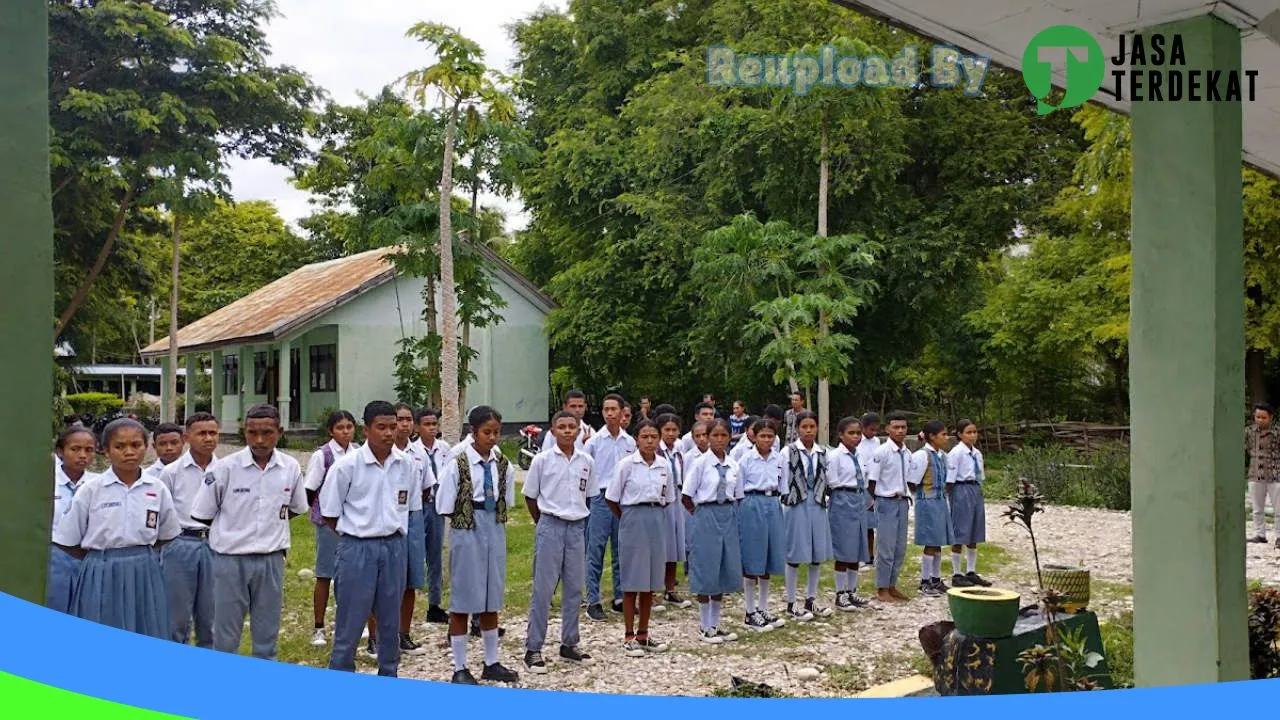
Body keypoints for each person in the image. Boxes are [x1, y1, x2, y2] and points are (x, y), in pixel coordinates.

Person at [191, 404, 306, 660]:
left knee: (267, 635)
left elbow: (296, 508)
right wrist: (236, 533)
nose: (259, 439)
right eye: (252, 432)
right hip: (230, 561)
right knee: (225, 636)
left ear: (280, 431)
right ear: (245, 432)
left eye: (267, 432)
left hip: (271, 560)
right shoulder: (224, 468)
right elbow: (204, 513)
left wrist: (269, 529)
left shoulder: (290, 467)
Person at [54, 419, 180, 638]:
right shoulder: (92, 490)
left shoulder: (157, 488)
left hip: (143, 568)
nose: (129, 452)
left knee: (145, 626)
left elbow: (167, 534)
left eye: (135, 445)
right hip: (100, 568)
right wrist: (99, 558)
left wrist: (139, 553)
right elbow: (68, 540)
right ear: (106, 452)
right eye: (120, 447)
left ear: (146, 447)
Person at [320, 401, 418, 678]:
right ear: (367, 430)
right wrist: (355, 534)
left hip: (394, 548)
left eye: (393, 426)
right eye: (381, 427)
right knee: (350, 622)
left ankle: (389, 674)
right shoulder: (347, 466)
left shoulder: (406, 464)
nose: (389, 433)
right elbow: (330, 513)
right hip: (357, 547)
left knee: (390, 621)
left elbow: (409, 507)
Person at [436, 405, 520, 685]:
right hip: (466, 528)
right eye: (487, 432)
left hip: (493, 527)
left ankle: (491, 661)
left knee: (491, 596)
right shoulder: (458, 463)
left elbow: (505, 498)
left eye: (496, 432)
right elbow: (445, 504)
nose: (492, 438)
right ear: (473, 432)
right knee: (463, 597)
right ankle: (459, 666)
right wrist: (466, 518)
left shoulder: (501, 464)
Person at [522, 411, 595, 673]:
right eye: (561, 427)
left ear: (578, 431)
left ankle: (569, 642)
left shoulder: (586, 461)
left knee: (574, 588)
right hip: (550, 524)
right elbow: (530, 496)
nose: (567, 431)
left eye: (571, 427)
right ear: (552, 431)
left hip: (576, 528)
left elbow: (588, 495)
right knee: (543, 590)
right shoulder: (542, 460)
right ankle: (533, 648)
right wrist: (542, 522)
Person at [606, 420, 674, 656]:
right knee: (632, 580)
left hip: (656, 517)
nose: (649, 441)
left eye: (653, 436)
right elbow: (612, 498)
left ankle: (644, 633)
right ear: (636, 439)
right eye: (644, 436)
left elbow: (669, 497)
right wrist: (627, 517)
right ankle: (628, 634)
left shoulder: (664, 465)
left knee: (650, 581)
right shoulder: (626, 465)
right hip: (632, 517)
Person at [366, 403, 428, 656]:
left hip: (409, 521)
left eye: (405, 420)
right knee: (375, 586)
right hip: (376, 529)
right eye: (395, 421)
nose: (400, 427)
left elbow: (423, 490)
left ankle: (402, 634)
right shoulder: (359, 461)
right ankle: (375, 637)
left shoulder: (415, 456)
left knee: (409, 581)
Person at [158, 412, 221, 648]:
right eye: (201, 433)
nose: (208, 438)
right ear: (187, 437)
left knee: (212, 616)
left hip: (216, 543)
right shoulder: (172, 472)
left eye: (212, 433)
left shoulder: (227, 469)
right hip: (181, 543)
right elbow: (163, 513)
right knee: (177, 616)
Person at [682, 419, 743, 644]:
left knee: (722, 568)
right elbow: (686, 495)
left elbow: (738, 494)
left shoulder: (734, 465)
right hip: (706, 513)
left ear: (729, 438)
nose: (719, 440)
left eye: (723, 436)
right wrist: (698, 515)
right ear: (707, 437)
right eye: (714, 435)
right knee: (705, 567)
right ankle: (704, 625)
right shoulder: (700, 464)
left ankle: (715, 624)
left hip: (727, 514)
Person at [304, 409, 359, 646]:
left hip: (353, 521)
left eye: (349, 427)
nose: (345, 432)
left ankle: (349, 622)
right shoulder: (323, 455)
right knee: (325, 573)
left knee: (352, 575)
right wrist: (320, 513)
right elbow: (310, 488)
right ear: (330, 431)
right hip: (328, 522)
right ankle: (319, 626)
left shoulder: (357, 453)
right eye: (340, 428)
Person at [583, 393, 636, 620]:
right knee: (595, 548)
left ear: (622, 412)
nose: (610, 414)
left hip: (622, 499)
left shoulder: (629, 442)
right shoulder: (594, 442)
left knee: (621, 548)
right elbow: (585, 471)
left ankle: (620, 595)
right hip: (600, 497)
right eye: (606, 409)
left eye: (614, 409)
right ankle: (593, 599)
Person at [780, 410, 832, 621]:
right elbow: (783, 478)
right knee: (794, 553)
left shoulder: (822, 452)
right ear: (797, 428)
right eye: (804, 427)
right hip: (796, 503)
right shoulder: (788, 451)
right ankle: (791, 603)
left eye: (812, 427)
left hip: (817, 502)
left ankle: (811, 599)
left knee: (816, 553)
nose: (808, 431)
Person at [736, 419, 787, 631]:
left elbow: (783, 483)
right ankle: (749, 611)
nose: (766, 440)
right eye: (762, 436)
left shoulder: (779, 458)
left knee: (769, 556)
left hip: (772, 502)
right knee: (753, 556)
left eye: (770, 436)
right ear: (754, 437)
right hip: (752, 501)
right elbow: (739, 489)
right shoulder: (745, 459)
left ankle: (763, 607)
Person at [47, 426, 98, 614]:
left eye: (89, 450)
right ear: (60, 451)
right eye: (75, 449)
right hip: (55, 557)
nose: (82, 455)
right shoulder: (46, 481)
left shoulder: (99, 484)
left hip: (89, 557)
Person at [411, 407, 451, 623]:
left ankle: (434, 604)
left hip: (437, 505)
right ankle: (407, 600)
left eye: (434, 424)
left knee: (435, 554)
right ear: (418, 427)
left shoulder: (444, 449)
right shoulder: (413, 451)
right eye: (427, 424)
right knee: (415, 554)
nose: (432, 428)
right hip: (418, 505)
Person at [867, 413, 913, 603]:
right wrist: (873, 501)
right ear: (887, 429)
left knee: (899, 548)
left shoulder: (907, 453)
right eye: (896, 427)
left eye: (903, 427)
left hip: (902, 502)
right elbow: (872, 481)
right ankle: (882, 588)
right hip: (886, 501)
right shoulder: (882, 452)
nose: (900, 431)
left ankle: (892, 585)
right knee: (885, 547)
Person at [828, 417, 872, 611]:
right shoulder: (835, 456)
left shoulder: (860, 455)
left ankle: (852, 590)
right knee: (844, 548)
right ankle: (840, 593)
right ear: (841, 434)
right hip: (842, 498)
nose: (856, 437)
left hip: (858, 499)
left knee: (857, 547)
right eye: (851, 433)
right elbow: (832, 481)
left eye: (858, 433)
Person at [910, 420, 954, 597]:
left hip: (940, 501)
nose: (946, 437)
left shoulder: (942, 455)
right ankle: (924, 580)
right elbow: (913, 481)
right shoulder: (922, 456)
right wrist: (923, 497)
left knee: (938, 540)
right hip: (927, 502)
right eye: (943, 434)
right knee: (930, 541)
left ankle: (936, 578)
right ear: (932, 436)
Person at [947, 420, 991, 588]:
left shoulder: (977, 453)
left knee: (975, 531)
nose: (972, 435)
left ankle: (971, 571)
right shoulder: (956, 453)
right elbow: (950, 479)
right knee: (960, 530)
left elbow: (980, 475)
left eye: (974, 432)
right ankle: (957, 573)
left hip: (975, 488)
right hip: (960, 489)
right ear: (959, 434)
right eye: (968, 432)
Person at [654, 413, 691, 609]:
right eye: (667, 430)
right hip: (660, 499)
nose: (670, 434)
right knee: (658, 545)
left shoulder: (678, 450)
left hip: (676, 497)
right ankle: (651, 591)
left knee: (674, 544)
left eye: (674, 430)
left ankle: (670, 589)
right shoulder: (656, 451)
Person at [1247, 402, 1280, 545]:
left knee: (1279, 508)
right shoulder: (1248, 432)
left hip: (1275, 474)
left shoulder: (1277, 433)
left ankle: (1279, 536)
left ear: (1270, 417)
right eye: (1257, 417)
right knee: (1257, 508)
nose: (1260, 420)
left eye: (1263, 417)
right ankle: (1260, 535)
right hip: (1255, 474)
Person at [856, 413, 882, 571]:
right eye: (871, 429)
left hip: (875, 485)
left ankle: (871, 556)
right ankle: (862, 555)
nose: (874, 433)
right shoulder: (859, 443)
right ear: (863, 428)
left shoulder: (877, 442)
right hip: (863, 485)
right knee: (862, 524)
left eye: (876, 430)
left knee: (872, 524)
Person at [541, 389, 593, 453]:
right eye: (573, 406)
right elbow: (545, 457)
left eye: (580, 406)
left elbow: (596, 459)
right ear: (564, 407)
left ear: (585, 407)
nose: (577, 410)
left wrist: (588, 445)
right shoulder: (554, 433)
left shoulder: (590, 433)